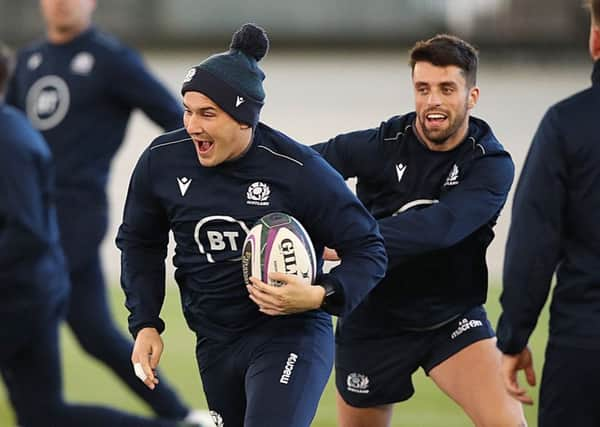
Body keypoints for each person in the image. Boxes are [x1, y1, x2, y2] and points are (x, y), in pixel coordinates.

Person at [116, 23, 387, 427]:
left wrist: (319, 295)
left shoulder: (299, 170)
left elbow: (369, 248)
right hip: (214, 341)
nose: (192, 126)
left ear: (244, 119)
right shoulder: (162, 160)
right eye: (188, 111)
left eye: (208, 114)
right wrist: (145, 323)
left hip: (289, 335)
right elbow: (140, 242)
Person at [4, 0, 206, 423]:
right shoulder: (29, 60)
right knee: (94, 332)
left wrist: (187, 180)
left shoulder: (110, 60)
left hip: (75, 214)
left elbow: (177, 120)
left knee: (29, 307)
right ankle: (180, 416)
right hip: (33, 210)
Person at [312, 34, 526, 426]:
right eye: (423, 89)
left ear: (471, 96)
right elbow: (305, 167)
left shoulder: (490, 164)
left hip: (450, 319)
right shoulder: (384, 143)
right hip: (371, 320)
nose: (433, 101)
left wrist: (351, 240)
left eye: (447, 89)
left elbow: (440, 227)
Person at [495, 1, 600, 425]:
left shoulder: (565, 124)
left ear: (595, 41)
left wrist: (514, 337)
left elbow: (533, 245)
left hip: (585, 348)